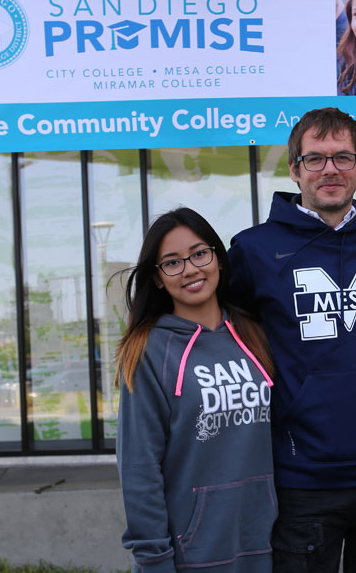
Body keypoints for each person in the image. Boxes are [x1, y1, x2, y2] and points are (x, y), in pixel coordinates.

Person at [227, 108, 356, 573]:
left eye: (343, 157)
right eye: (315, 159)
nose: (330, 169)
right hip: (304, 476)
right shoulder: (253, 249)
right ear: (294, 169)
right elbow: (221, 327)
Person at [117, 207, 277, 573]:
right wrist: (153, 558)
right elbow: (139, 467)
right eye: (172, 263)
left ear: (218, 258)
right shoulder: (149, 351)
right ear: (157, 279)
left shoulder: (256, 334)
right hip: (194, 552)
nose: (190, 269)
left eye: (199, 253)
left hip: (268, 542)